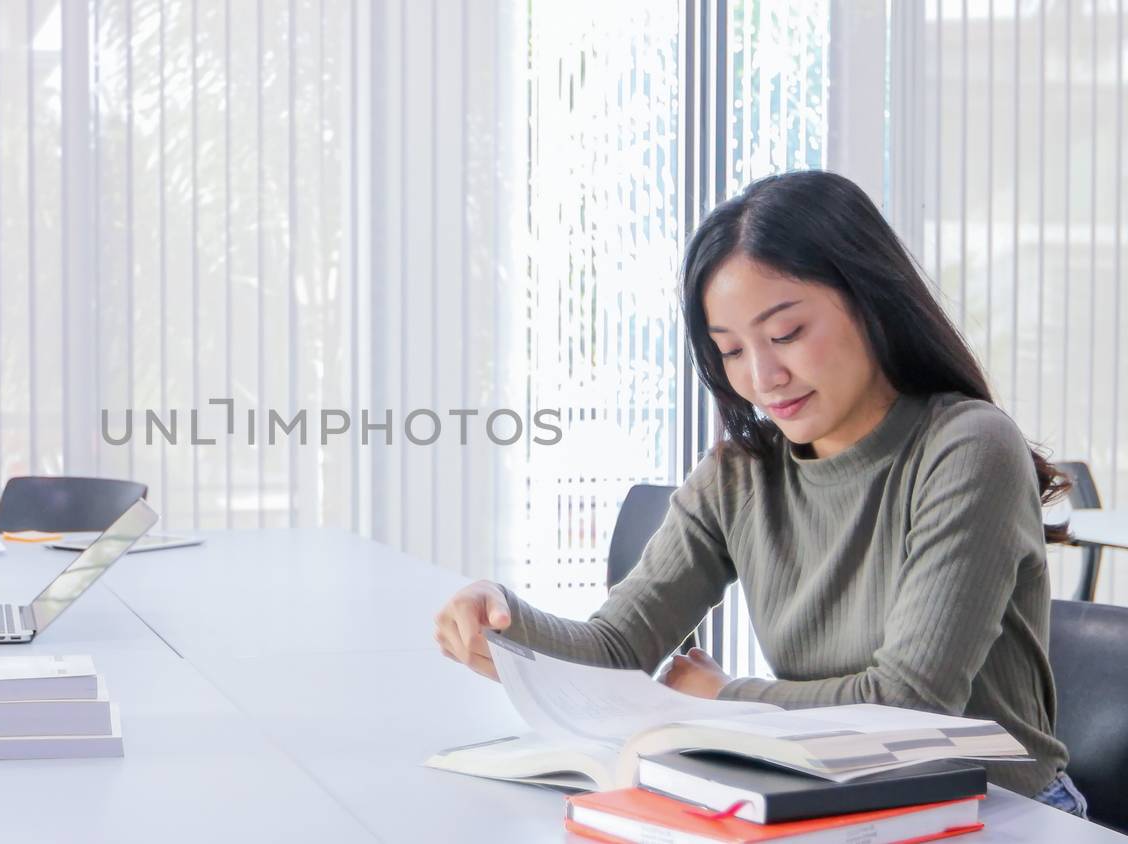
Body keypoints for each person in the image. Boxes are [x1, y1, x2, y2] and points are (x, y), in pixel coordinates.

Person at [433, 170, 1088, 818]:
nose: (763, 377)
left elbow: (911, 705)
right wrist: (505, 628)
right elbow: (616, 648)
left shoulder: (969, 447)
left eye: (785, 335)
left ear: (869, 300)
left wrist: (722, 699)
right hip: (837, 803)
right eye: (731, 351)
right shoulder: (739, 474)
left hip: (1005, 813)